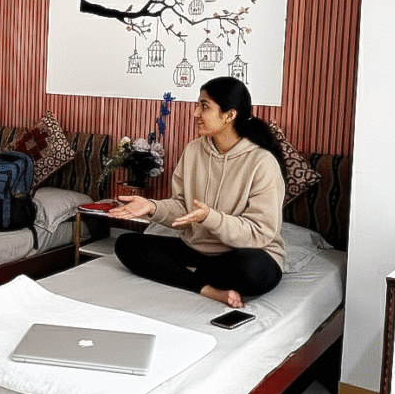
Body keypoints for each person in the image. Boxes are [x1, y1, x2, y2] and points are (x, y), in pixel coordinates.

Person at [109, 76, 286, 308]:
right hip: (196, 250)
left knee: (252, 270)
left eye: (204, 106)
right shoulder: (193, 151)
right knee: (126, 244)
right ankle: (206, 288)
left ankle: (187, 275)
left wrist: (210, 217)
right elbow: (182, 209)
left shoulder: (261, 162)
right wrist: (153, 207)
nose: (195, 113)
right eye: (197, 105)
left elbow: (260, 233)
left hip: (243, 253)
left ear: (229, 115)